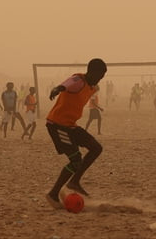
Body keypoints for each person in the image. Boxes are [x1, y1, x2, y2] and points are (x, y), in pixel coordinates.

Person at [45, 58, 107, 208]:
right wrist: (57, 88)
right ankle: (53, 193)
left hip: (71, 126)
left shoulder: (93, 87)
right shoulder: (79, 80)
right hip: (57, 125)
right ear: (91, 71)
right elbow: (67, 84)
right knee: (75, 160)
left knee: (96, 148)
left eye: (103, 76)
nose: (100, 78)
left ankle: (74, 182)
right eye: (99, 75)